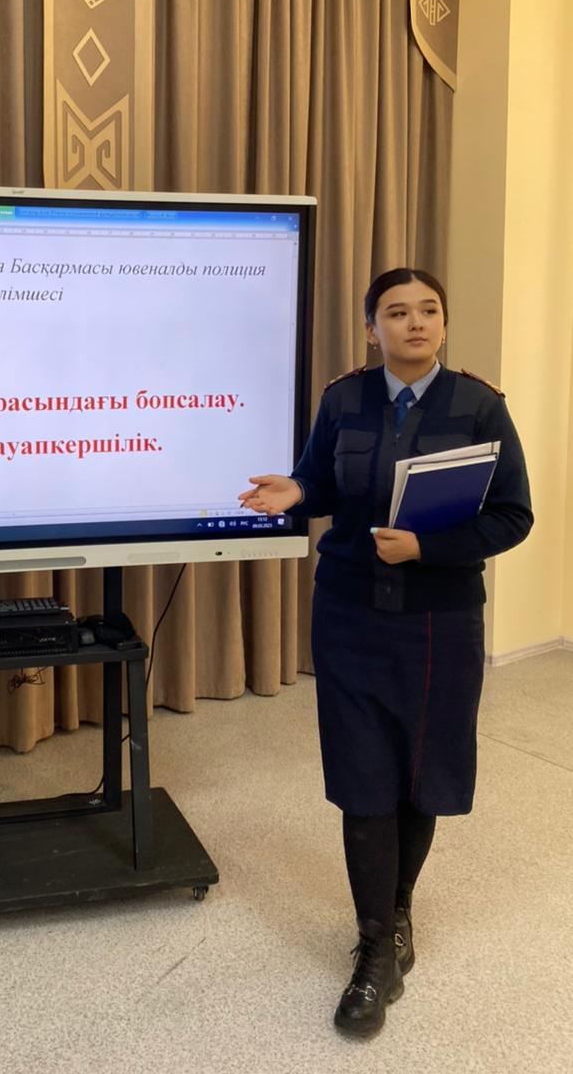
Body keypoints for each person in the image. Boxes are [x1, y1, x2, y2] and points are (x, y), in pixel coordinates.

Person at [238, 268, 533, 1038]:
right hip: (349, 614)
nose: (415, 323)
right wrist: (296, 493)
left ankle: (398, 913)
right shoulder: (344, 400)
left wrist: (427, 548)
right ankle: (376, 948)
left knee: (422, 774)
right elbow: (321, 482)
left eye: (429, 310)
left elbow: (512, 516)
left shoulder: (479, 405)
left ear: (444, 323)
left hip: (440, 622)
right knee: (364, 775)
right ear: (372, 328)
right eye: (397, 312)